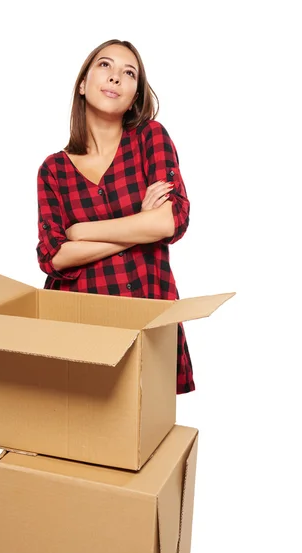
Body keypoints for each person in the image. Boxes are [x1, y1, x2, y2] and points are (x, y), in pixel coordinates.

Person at [36, 39, 195, 394]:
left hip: (147, 311)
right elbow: (53, 257)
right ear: (83, 83)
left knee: (145, 434)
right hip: (78, 322)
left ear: (135, 95)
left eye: (129, 73)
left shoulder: (150, 138)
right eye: (105, 66)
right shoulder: (53, 170)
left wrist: (81, 232)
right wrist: (140, 224)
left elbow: (171, 221)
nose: (115, 78)